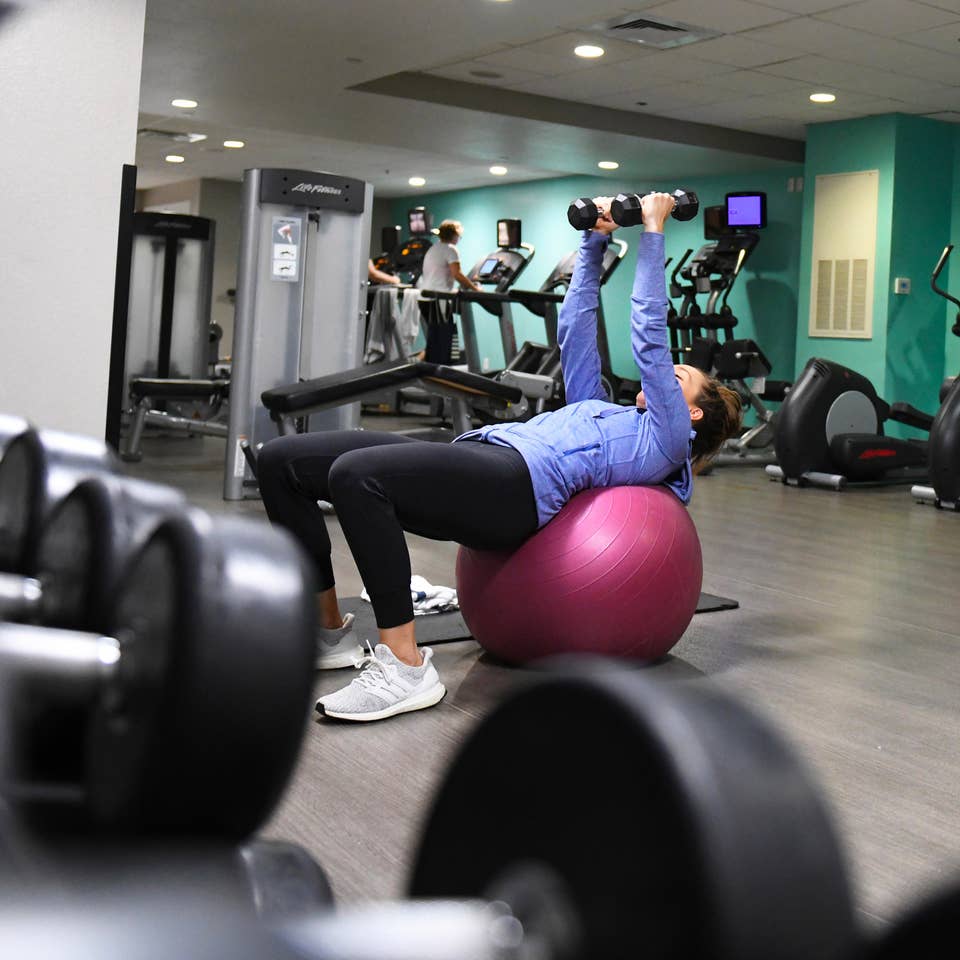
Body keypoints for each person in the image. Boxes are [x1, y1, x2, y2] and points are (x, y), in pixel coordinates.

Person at [257, 193, 742, 723]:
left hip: (517, 489)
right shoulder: (601, 407)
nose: (669, 373)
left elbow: (650, 339)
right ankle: (330, 635)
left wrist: (653, 232)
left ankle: (405, 667)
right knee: (281, 461)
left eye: (680, 378)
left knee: (356, 475)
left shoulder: (665, 440)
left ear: (692, 414)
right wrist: (594, 240)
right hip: (485, 453)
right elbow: (576, 327)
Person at [416, 220, 482, 293]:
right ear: (454, 235)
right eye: (459, 236)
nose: (458, 239)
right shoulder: (450, 249)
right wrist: (475, 289)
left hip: (425, 293)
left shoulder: (433, 248)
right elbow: (457, 274)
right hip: (439, 294)